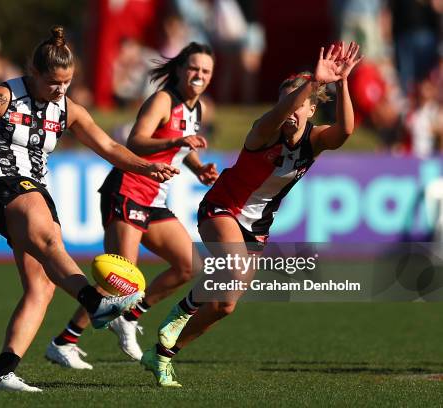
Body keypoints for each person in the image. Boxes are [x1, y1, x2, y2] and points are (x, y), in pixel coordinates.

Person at [0, 26, 179, 393]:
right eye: (53, 82)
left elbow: (108, 147)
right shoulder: (2, 96)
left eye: (67, 82)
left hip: (34, 193)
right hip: (2, 186)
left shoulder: (69, 110)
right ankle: (96, 303)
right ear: (34, 73)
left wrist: (146, 166)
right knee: (48, 236)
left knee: (41, 287)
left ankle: (2, 374)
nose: (60, 90)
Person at [141, 41, 363, 387]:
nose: (290, 111)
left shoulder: (315, 140)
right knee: (234, 268)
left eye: (300, 105)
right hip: (221, 208)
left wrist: (343, 82)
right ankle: (180, 310)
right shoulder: (264, 130)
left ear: (311, 110)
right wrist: (311, 84)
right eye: (286, 103)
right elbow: (281, 112)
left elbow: (346, 131)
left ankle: (163, 354)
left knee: (225, 305)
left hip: (257, 226)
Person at [45, 42, 219, 369]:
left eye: (205, 70)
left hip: (154, 198)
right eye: (194, 68)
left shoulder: (198, 109)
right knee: (120, 275)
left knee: (189, 266)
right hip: (127, 189)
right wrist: (175, 142)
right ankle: (64, 341)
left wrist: (199, 168)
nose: (199, 75)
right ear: (180, 69)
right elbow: (136, 140)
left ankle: (129, 318)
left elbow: (184, 147)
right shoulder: (164, 99)